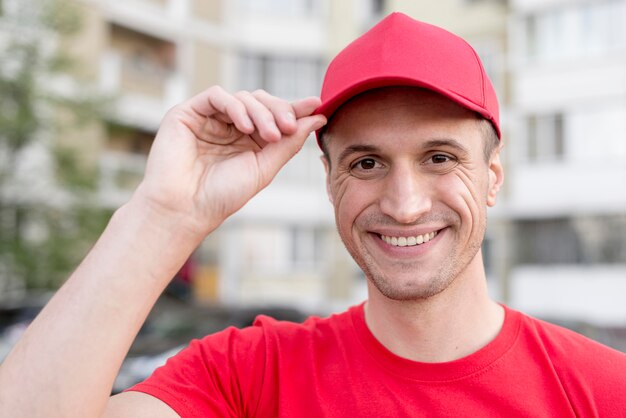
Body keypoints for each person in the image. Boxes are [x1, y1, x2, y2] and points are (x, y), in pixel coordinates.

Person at [0, 12, 625, 418]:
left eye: (439, 157)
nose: (405, 204)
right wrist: (163, 215)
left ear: (492, 178)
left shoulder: (603, 392)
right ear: (328, 179)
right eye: (366, 164)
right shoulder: (247, 378)